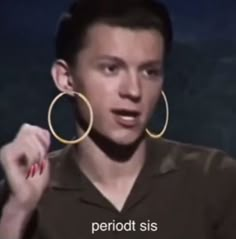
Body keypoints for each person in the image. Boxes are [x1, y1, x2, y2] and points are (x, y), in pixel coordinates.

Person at [0, 0, 236, 238]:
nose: (133, 91)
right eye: (111, 68)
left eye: (149, 72)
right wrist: (16, 213)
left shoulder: (214, 180)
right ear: (66, 79)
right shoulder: (24, 193)